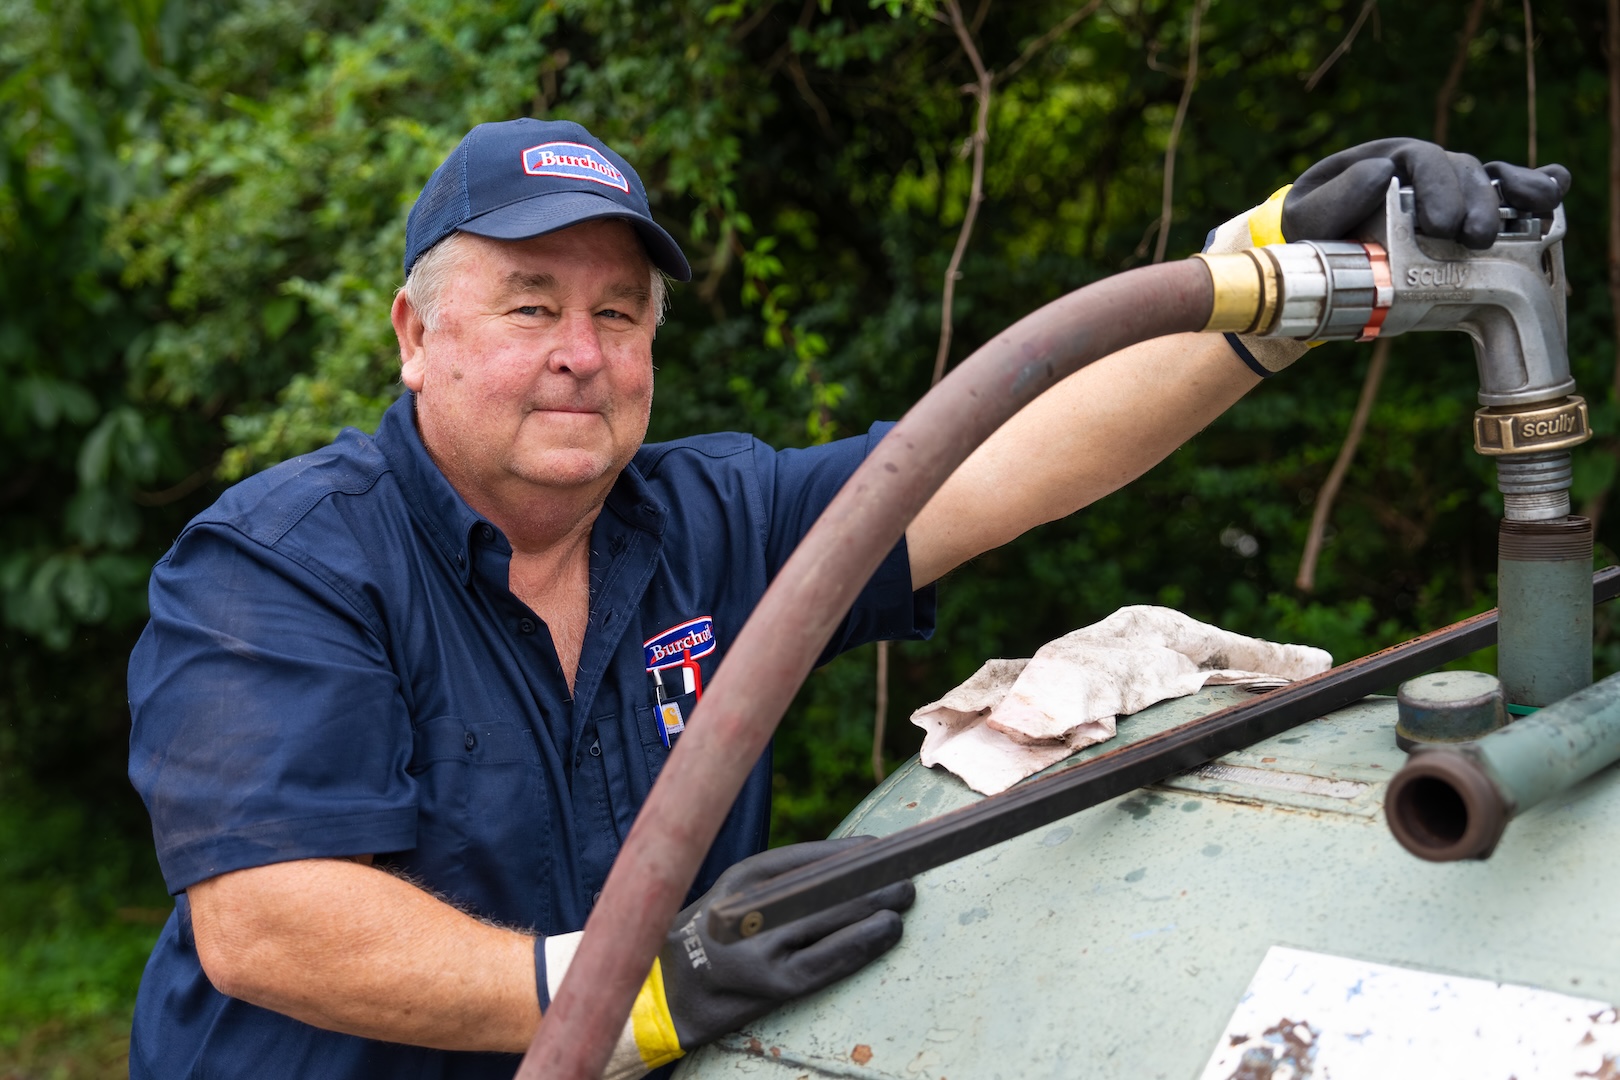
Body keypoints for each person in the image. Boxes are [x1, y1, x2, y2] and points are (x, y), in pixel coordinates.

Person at [125, 120, 1569, 1079]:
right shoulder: (284, 562)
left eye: (618, 312)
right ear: (412, 337)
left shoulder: (709, 520)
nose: (581, 349)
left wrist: (1265, 256)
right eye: (529, 304)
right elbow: (271, 920)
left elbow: (1006, 448)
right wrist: (627, 988)